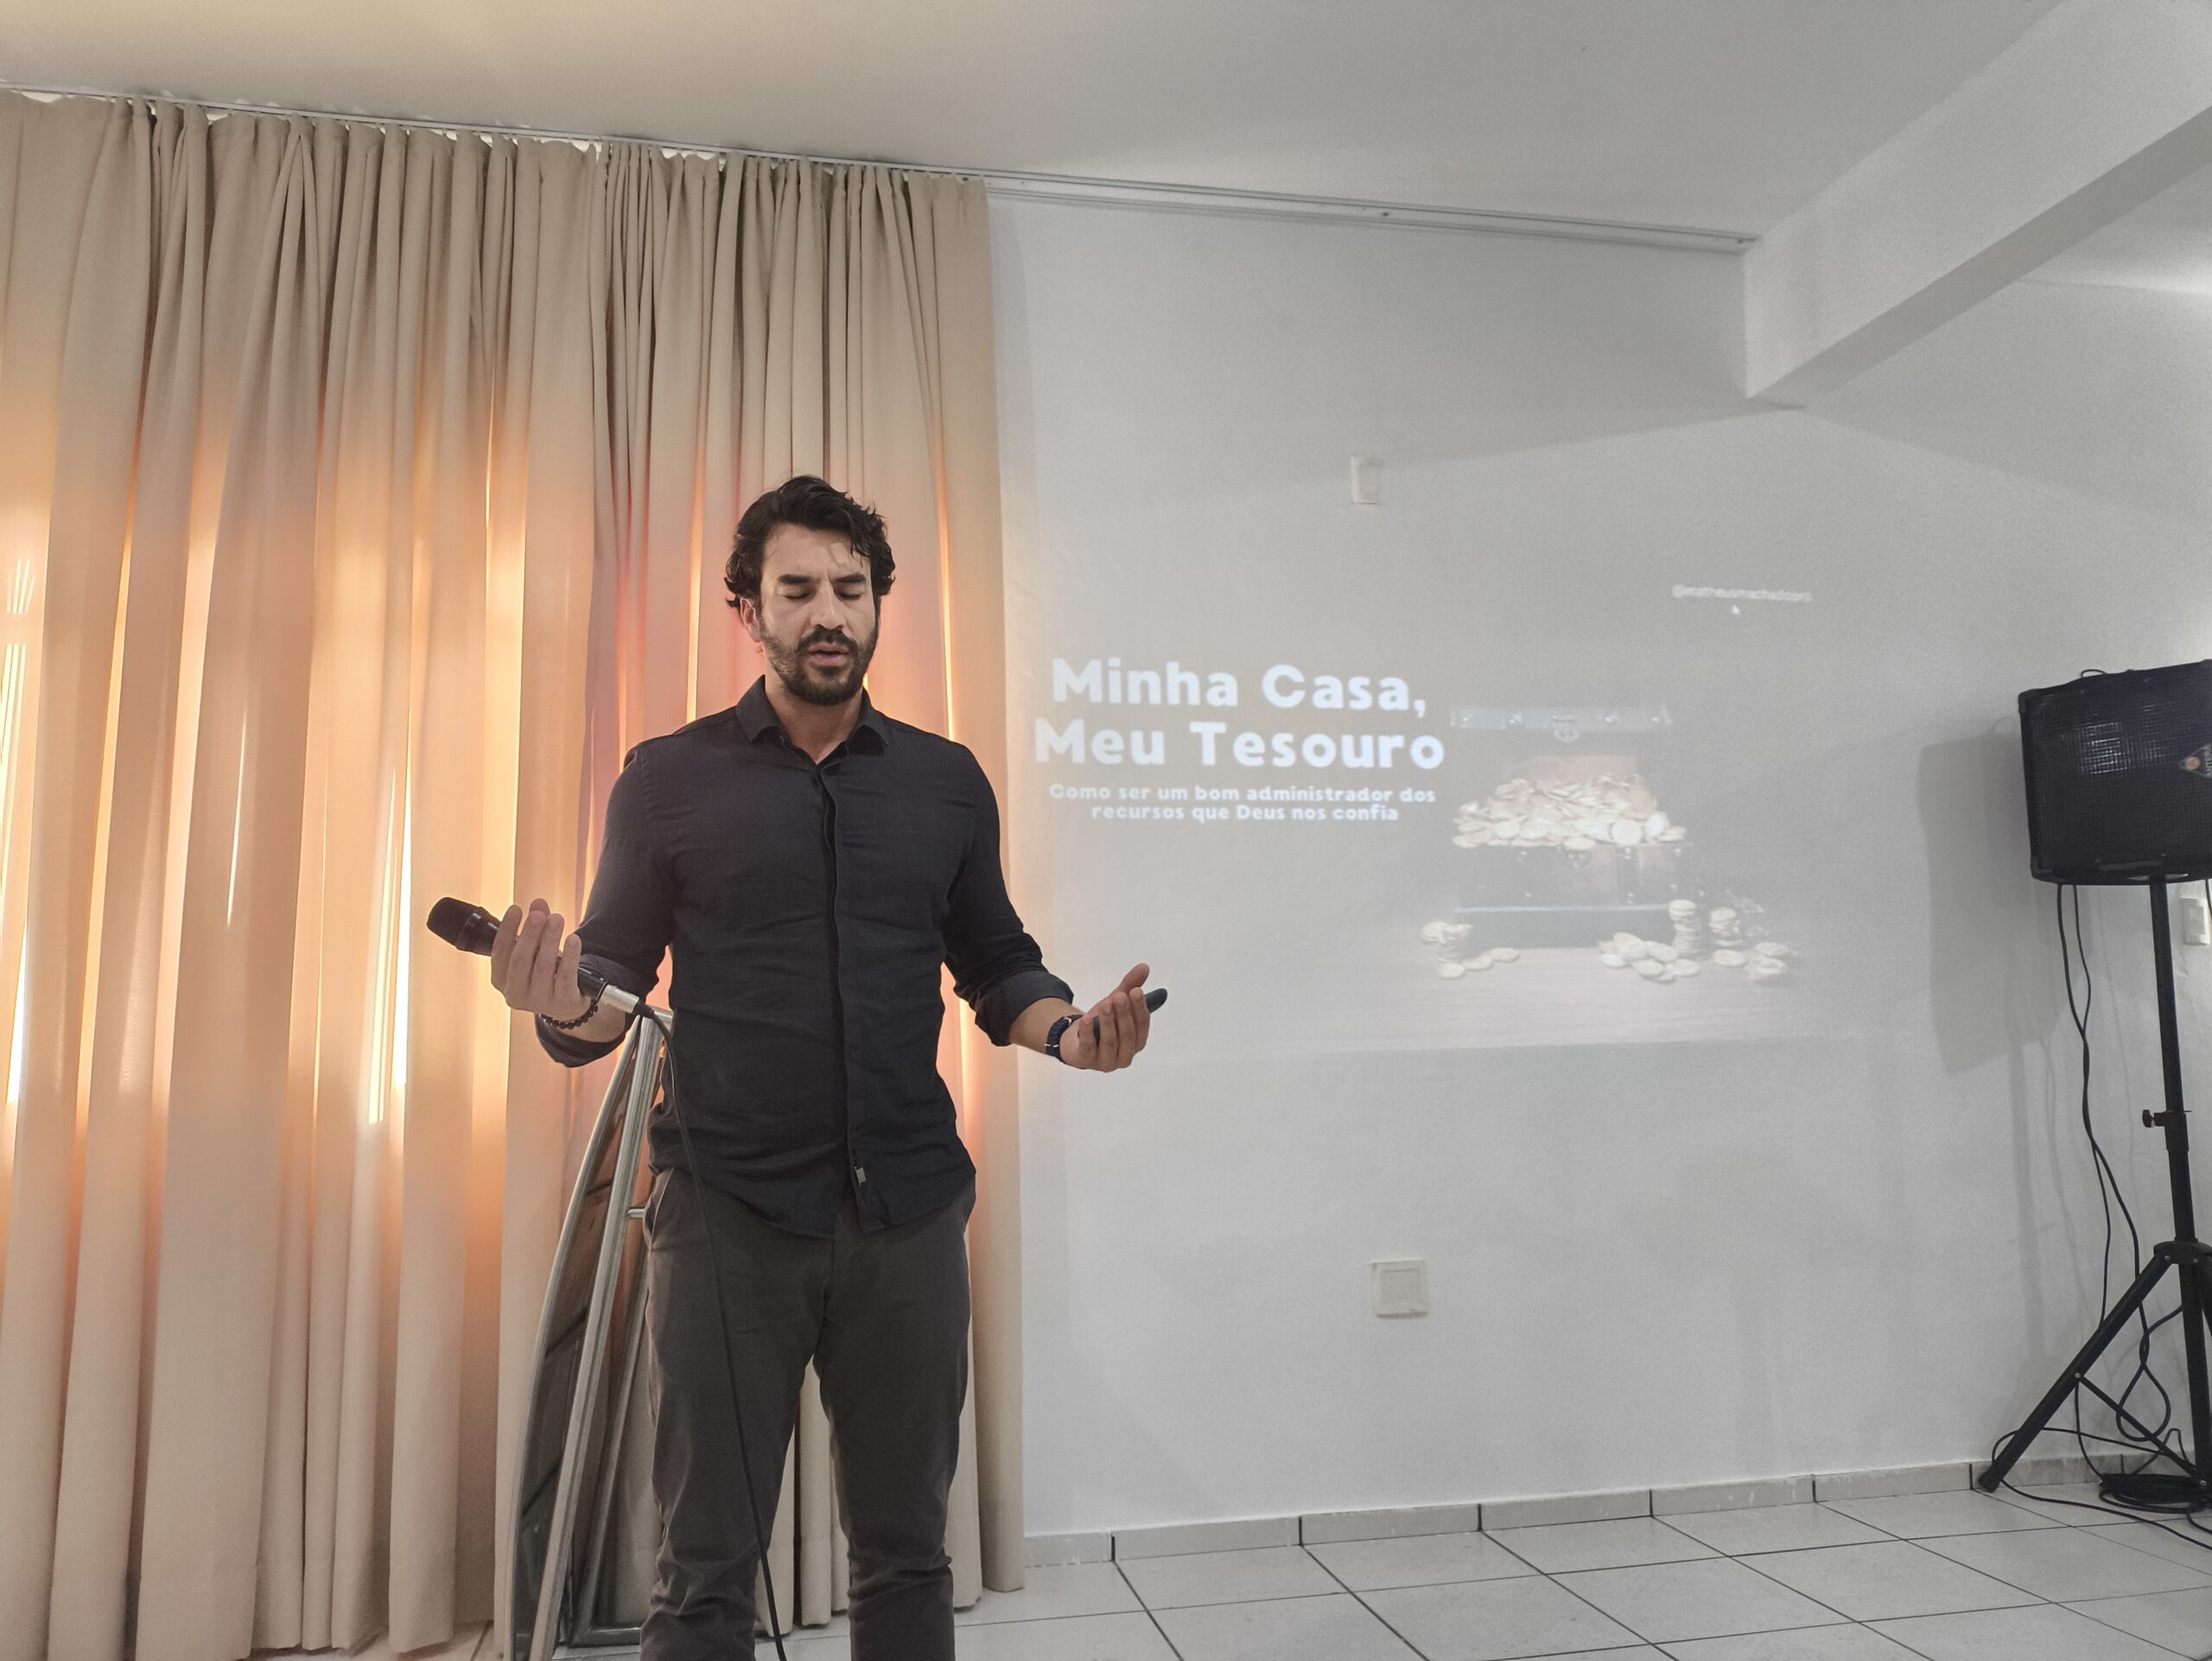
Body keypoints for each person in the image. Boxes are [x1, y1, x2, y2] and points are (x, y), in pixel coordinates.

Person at [488, 475, 1153, 1661]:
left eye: (851, 588)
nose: (828, 612)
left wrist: (1068, 1032)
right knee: (704, 1572)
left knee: (909, 1557)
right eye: (797, 590)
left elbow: (998, 962)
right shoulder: (667, 779)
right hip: (728, 1214)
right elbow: (609, 987)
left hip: (907, 1214)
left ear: (880, 603)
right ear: (749, 611)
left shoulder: (946, 781)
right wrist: (559, 1008)